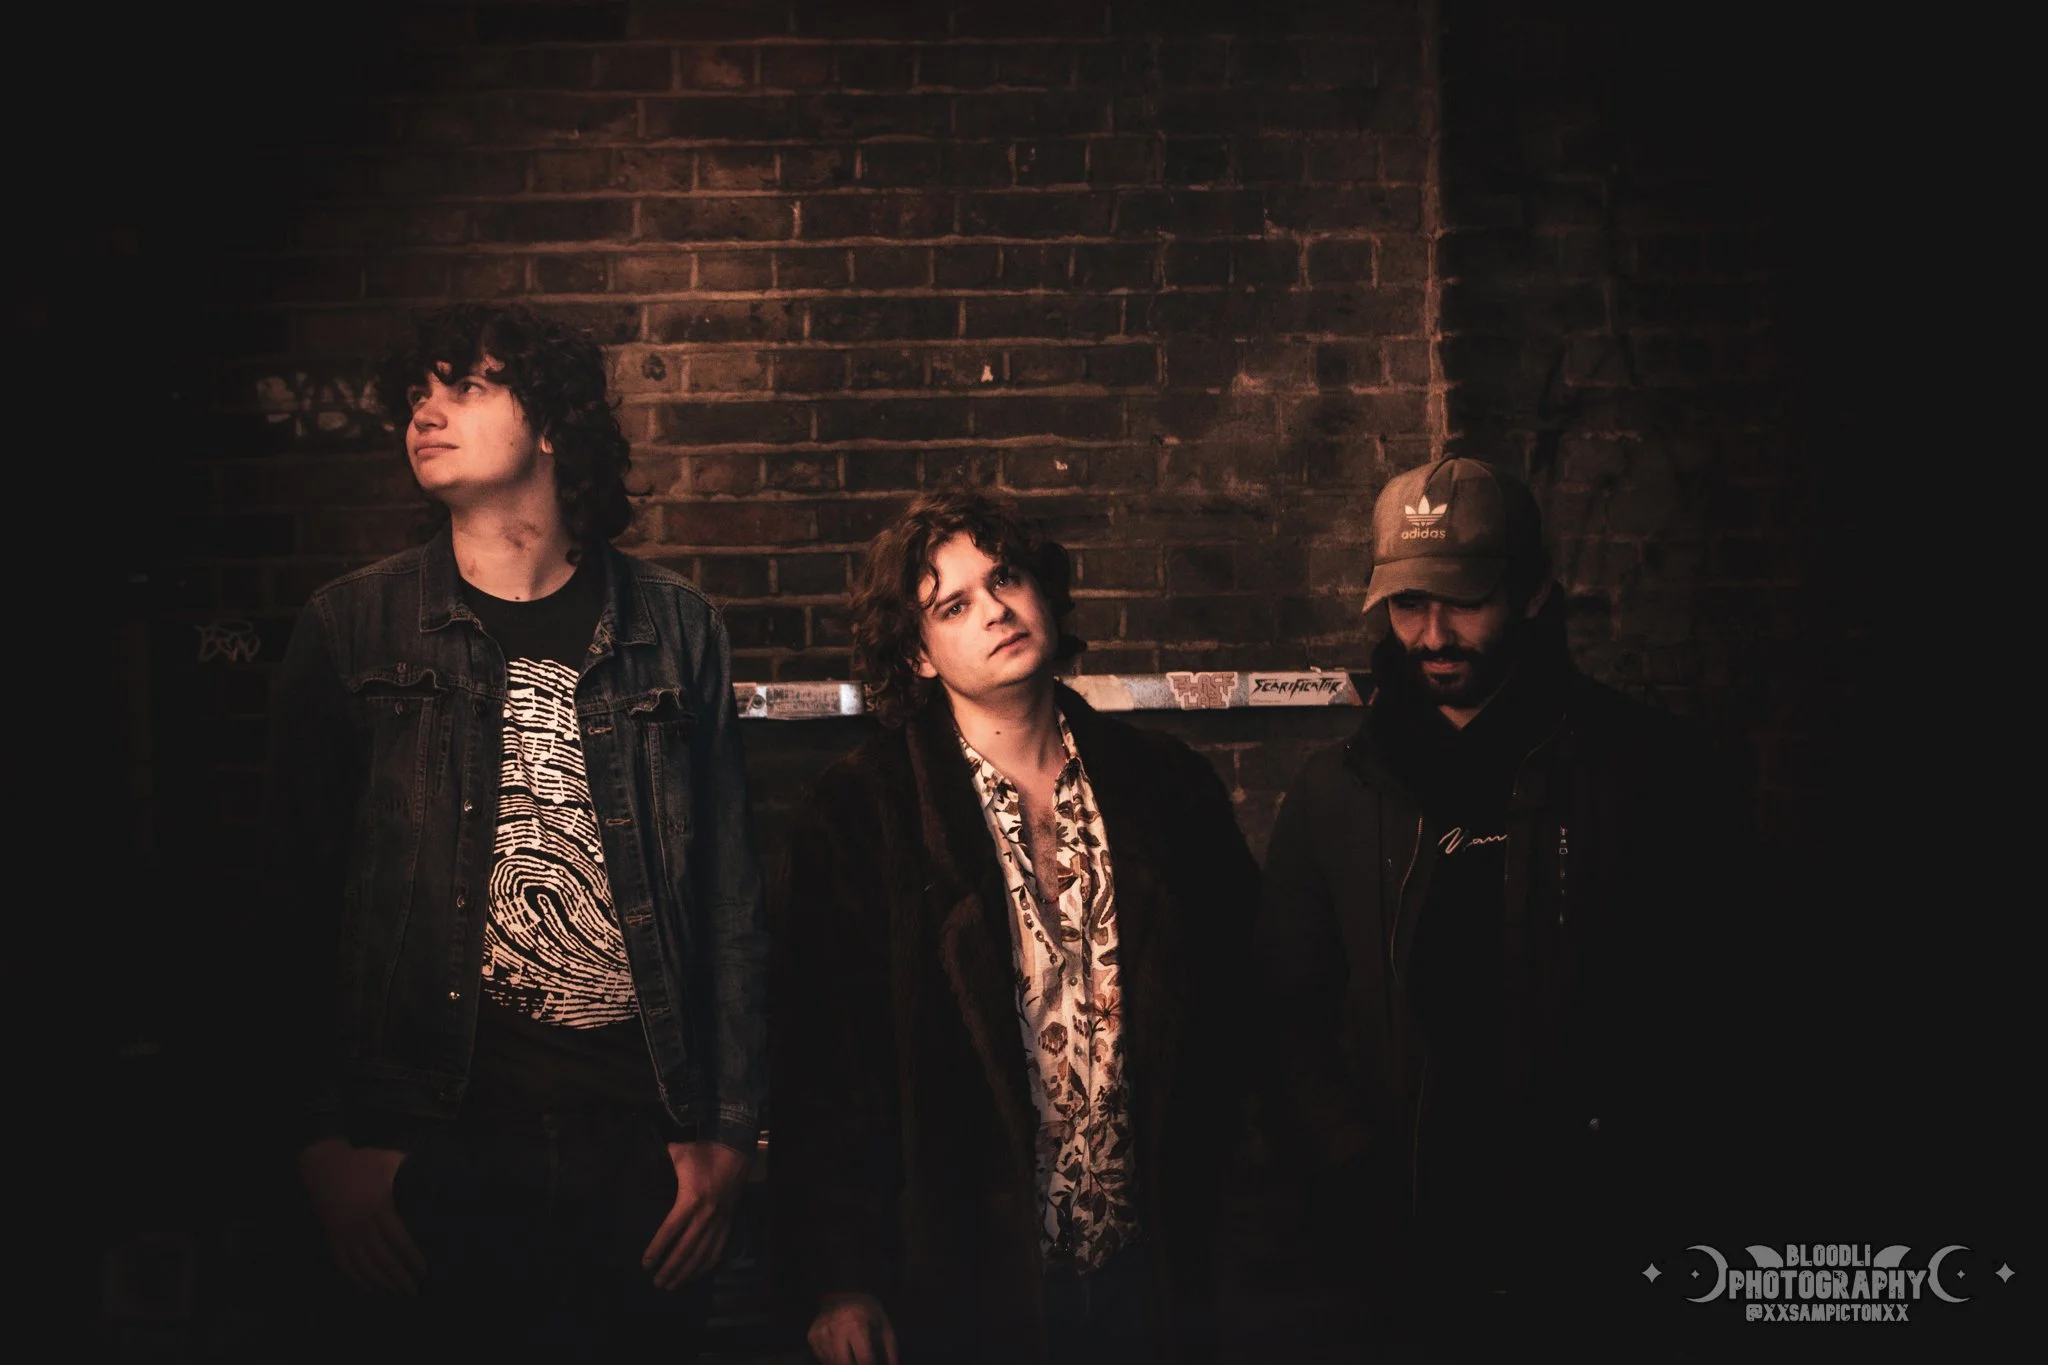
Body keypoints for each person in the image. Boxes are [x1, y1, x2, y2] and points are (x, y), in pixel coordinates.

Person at [264, 303, 766, 1356]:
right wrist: (318, 1147)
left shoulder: (676, 629)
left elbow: (731, 902)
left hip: (639, 1144)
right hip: (426, 1151)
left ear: (549, 426)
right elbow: (286, 906)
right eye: (416, 395)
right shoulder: (350, 629)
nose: (425, 414)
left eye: (464, 387)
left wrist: (728, 1138)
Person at [1257, 457, 1747, 1352]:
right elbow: (1285, 1014)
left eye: (1463, 599)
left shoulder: (1646, 772)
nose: (1433, 633)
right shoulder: (1334, 793)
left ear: (1531, 594)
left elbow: (1718, 1004)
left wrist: (1641, 1177)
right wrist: (1352, 1161)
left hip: (1601, 1254)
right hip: (1403, 1248)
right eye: (1408, 604)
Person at [770, 490, 1259, 1364]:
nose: (995, 609)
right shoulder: (860, 811)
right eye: (953, 605)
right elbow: (826, 1061)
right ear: (918, 655)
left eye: (1005, 579)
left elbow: (1249, 1017)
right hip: (967, 1282)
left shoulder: (1167, 789)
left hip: (1155, 1274)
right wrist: (842, 1277)